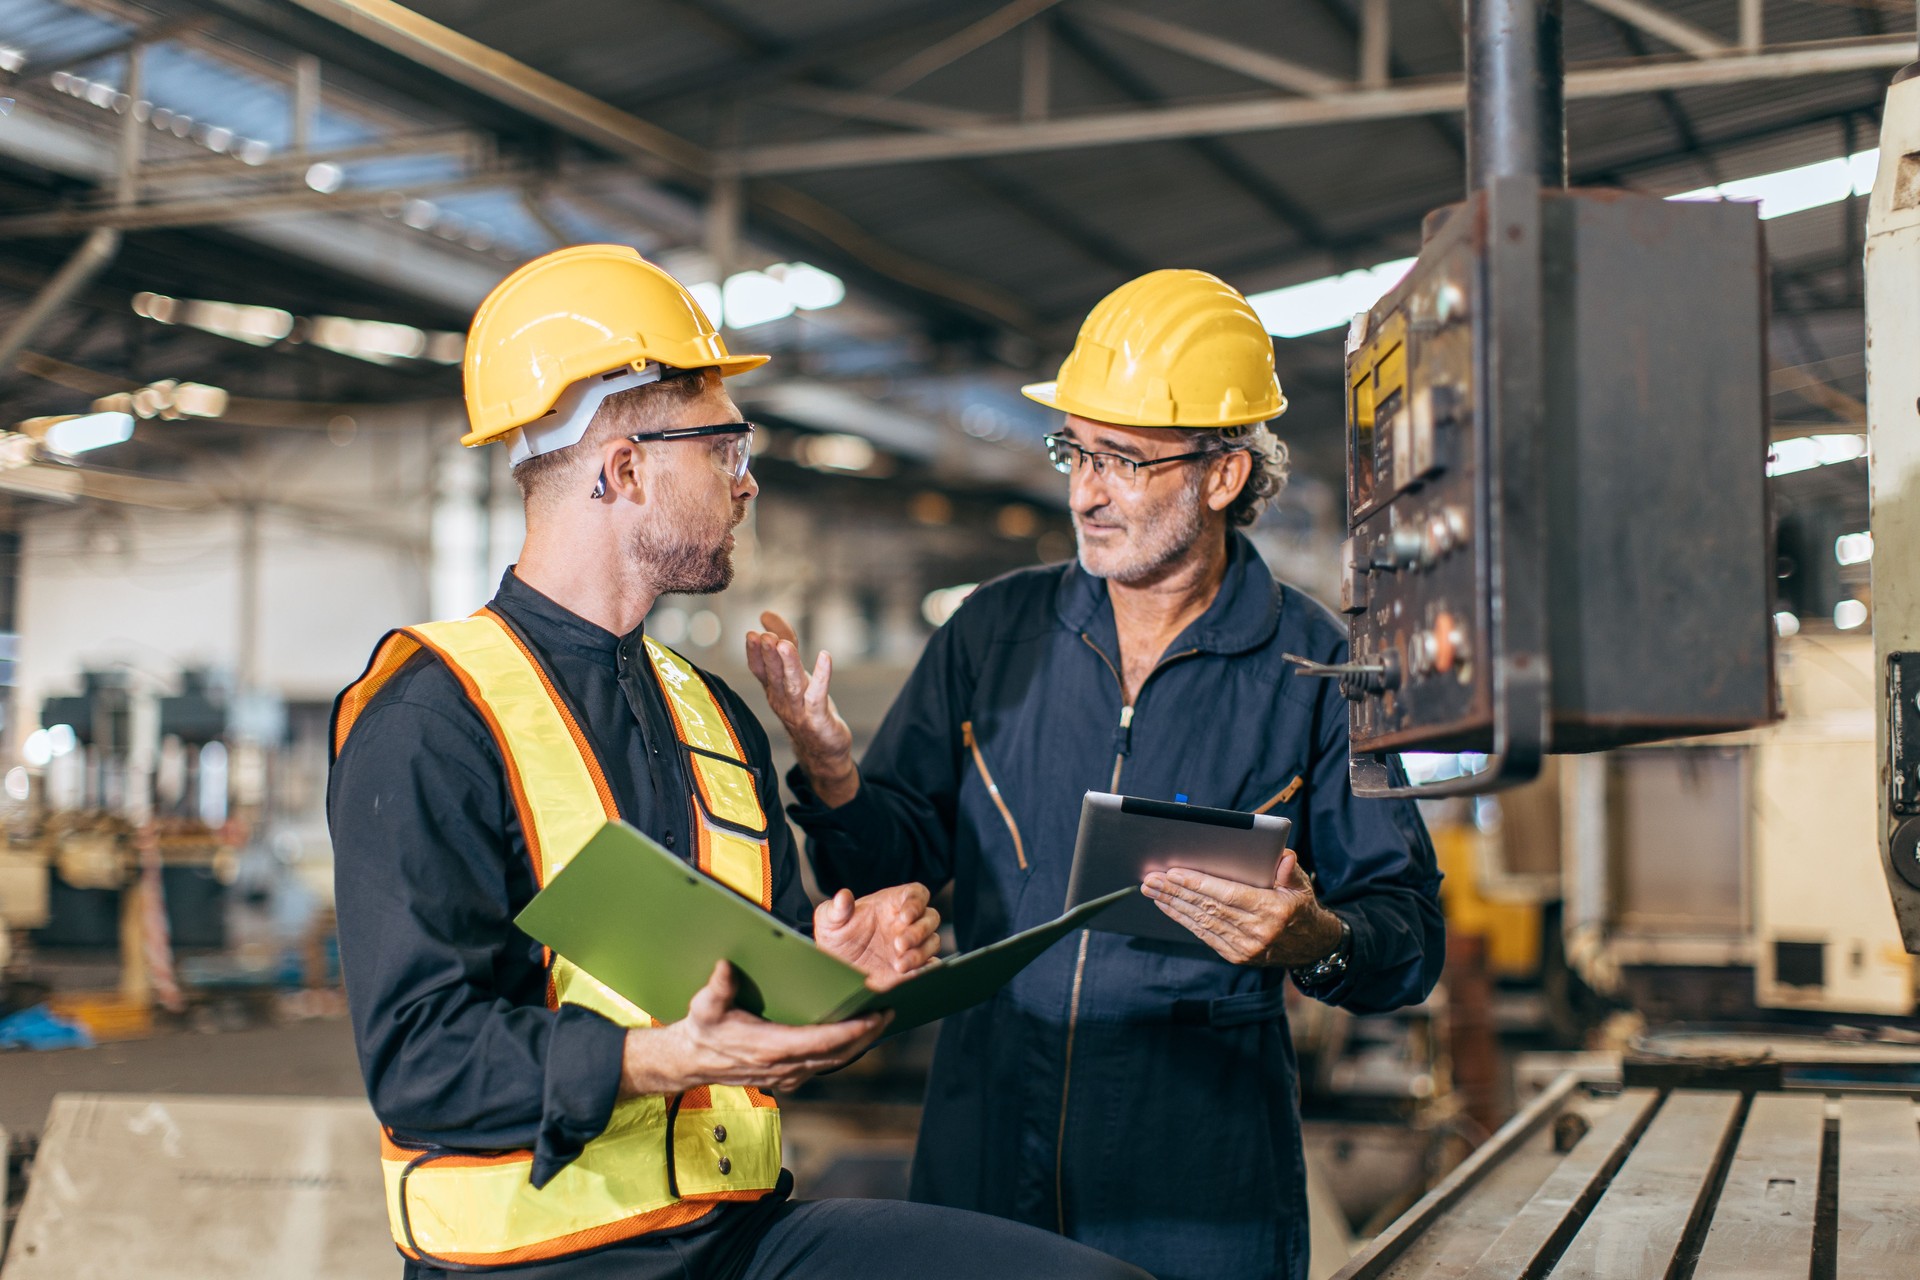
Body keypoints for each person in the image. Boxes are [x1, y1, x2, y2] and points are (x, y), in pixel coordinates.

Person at [328, 244, 1149, 1280]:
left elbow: (754, 1007)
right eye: (724, 447)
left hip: (736, 1238)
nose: (747, 479)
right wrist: (656, 1055)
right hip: (538, 1262)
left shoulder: (713, 711)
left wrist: (833, 975)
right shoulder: (431, 713)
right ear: (623, 468)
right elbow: (417, 1060)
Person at [748, 269, 1446, 1280]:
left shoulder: (1317, 670)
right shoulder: (995, 631)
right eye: (1075, 448)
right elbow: (896, 860)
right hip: (983, 1146)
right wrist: (836, 773)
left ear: (1222, 475)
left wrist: (1318, 940)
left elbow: (1407, 934)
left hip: (1195, 1184)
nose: (1085, 488)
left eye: (1123, 457)